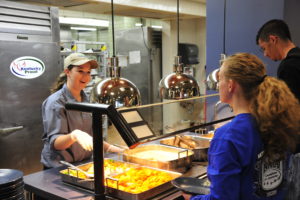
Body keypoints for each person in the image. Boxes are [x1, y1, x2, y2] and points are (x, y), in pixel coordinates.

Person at [182, 53, 300, 200]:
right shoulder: (279, 123)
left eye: (219, 79)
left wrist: (192, 199)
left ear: (231, 85)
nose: (218, 85)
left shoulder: (227, 137)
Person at [41, 53, 123, 169]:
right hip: (58, 168)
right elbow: (56, 143)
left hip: (83, 164)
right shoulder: (56, 103)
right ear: (67, 72)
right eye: (80, 71)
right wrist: (74, 135)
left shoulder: (86, 100)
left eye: (88, 72)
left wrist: (112, 149)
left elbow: (89, 138)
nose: (85, 76)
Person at [256, 19, 300, 102]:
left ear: (273, 40)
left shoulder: (288, 66)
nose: (265, 54)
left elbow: (290, 107)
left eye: (264, 48)